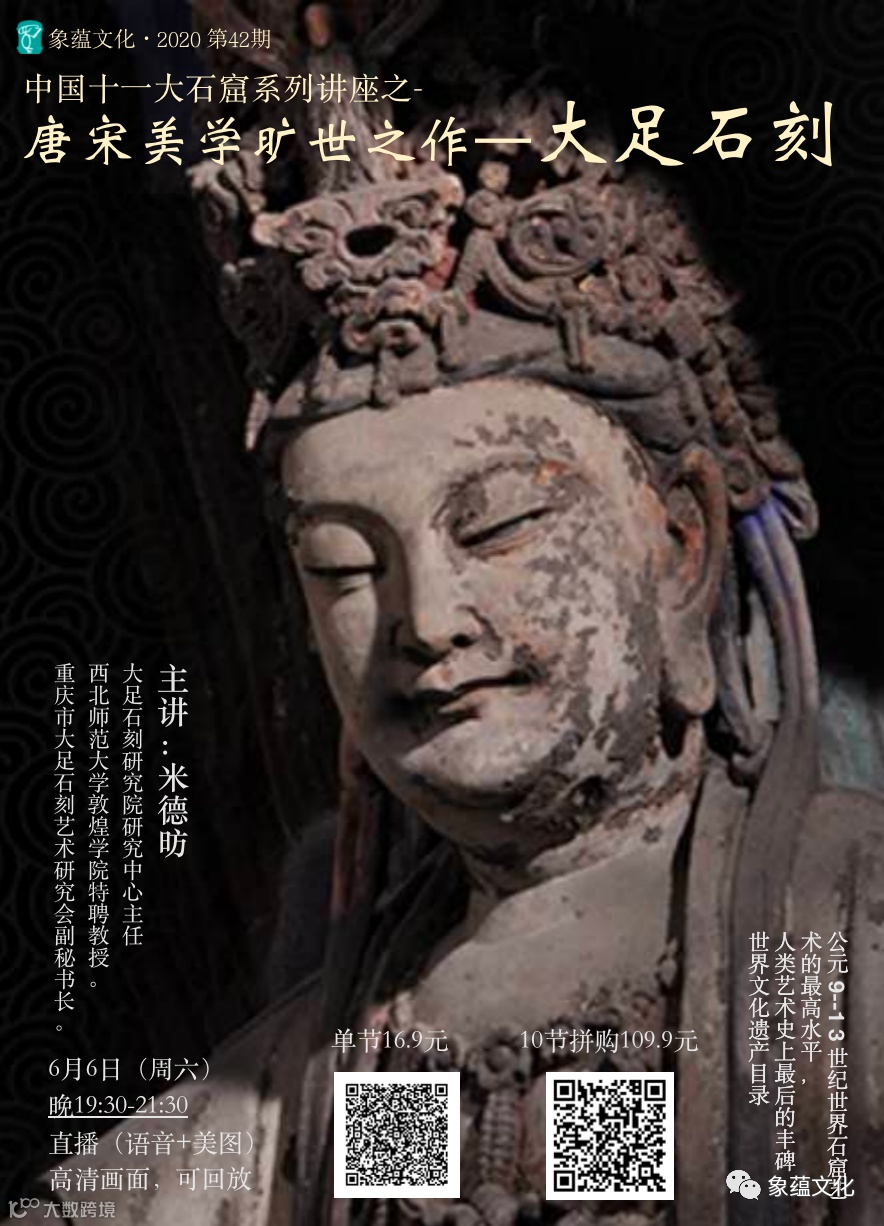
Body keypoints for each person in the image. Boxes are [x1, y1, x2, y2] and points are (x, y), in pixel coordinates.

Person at [14, 58, 884, 1226]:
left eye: (500, 525)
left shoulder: (842, 933)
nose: (424, 619)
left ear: (678, 542)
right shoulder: (334, 1055)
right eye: (344, 565)